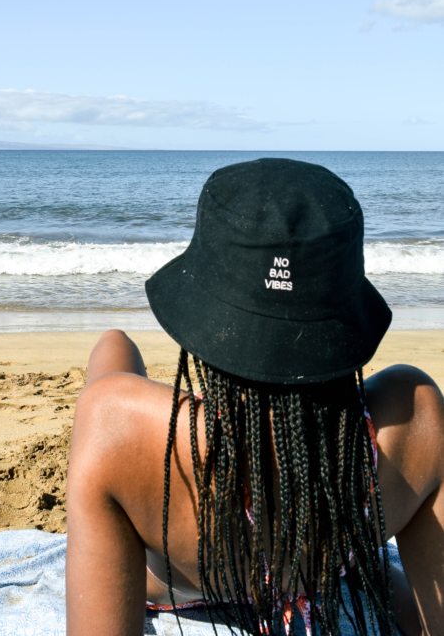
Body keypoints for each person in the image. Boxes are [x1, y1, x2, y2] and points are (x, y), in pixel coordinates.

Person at [66, 159, 444, 636]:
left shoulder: (114, 429)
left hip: (182, 582)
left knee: (113, 348)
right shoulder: (418, 424)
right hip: (327, 561)